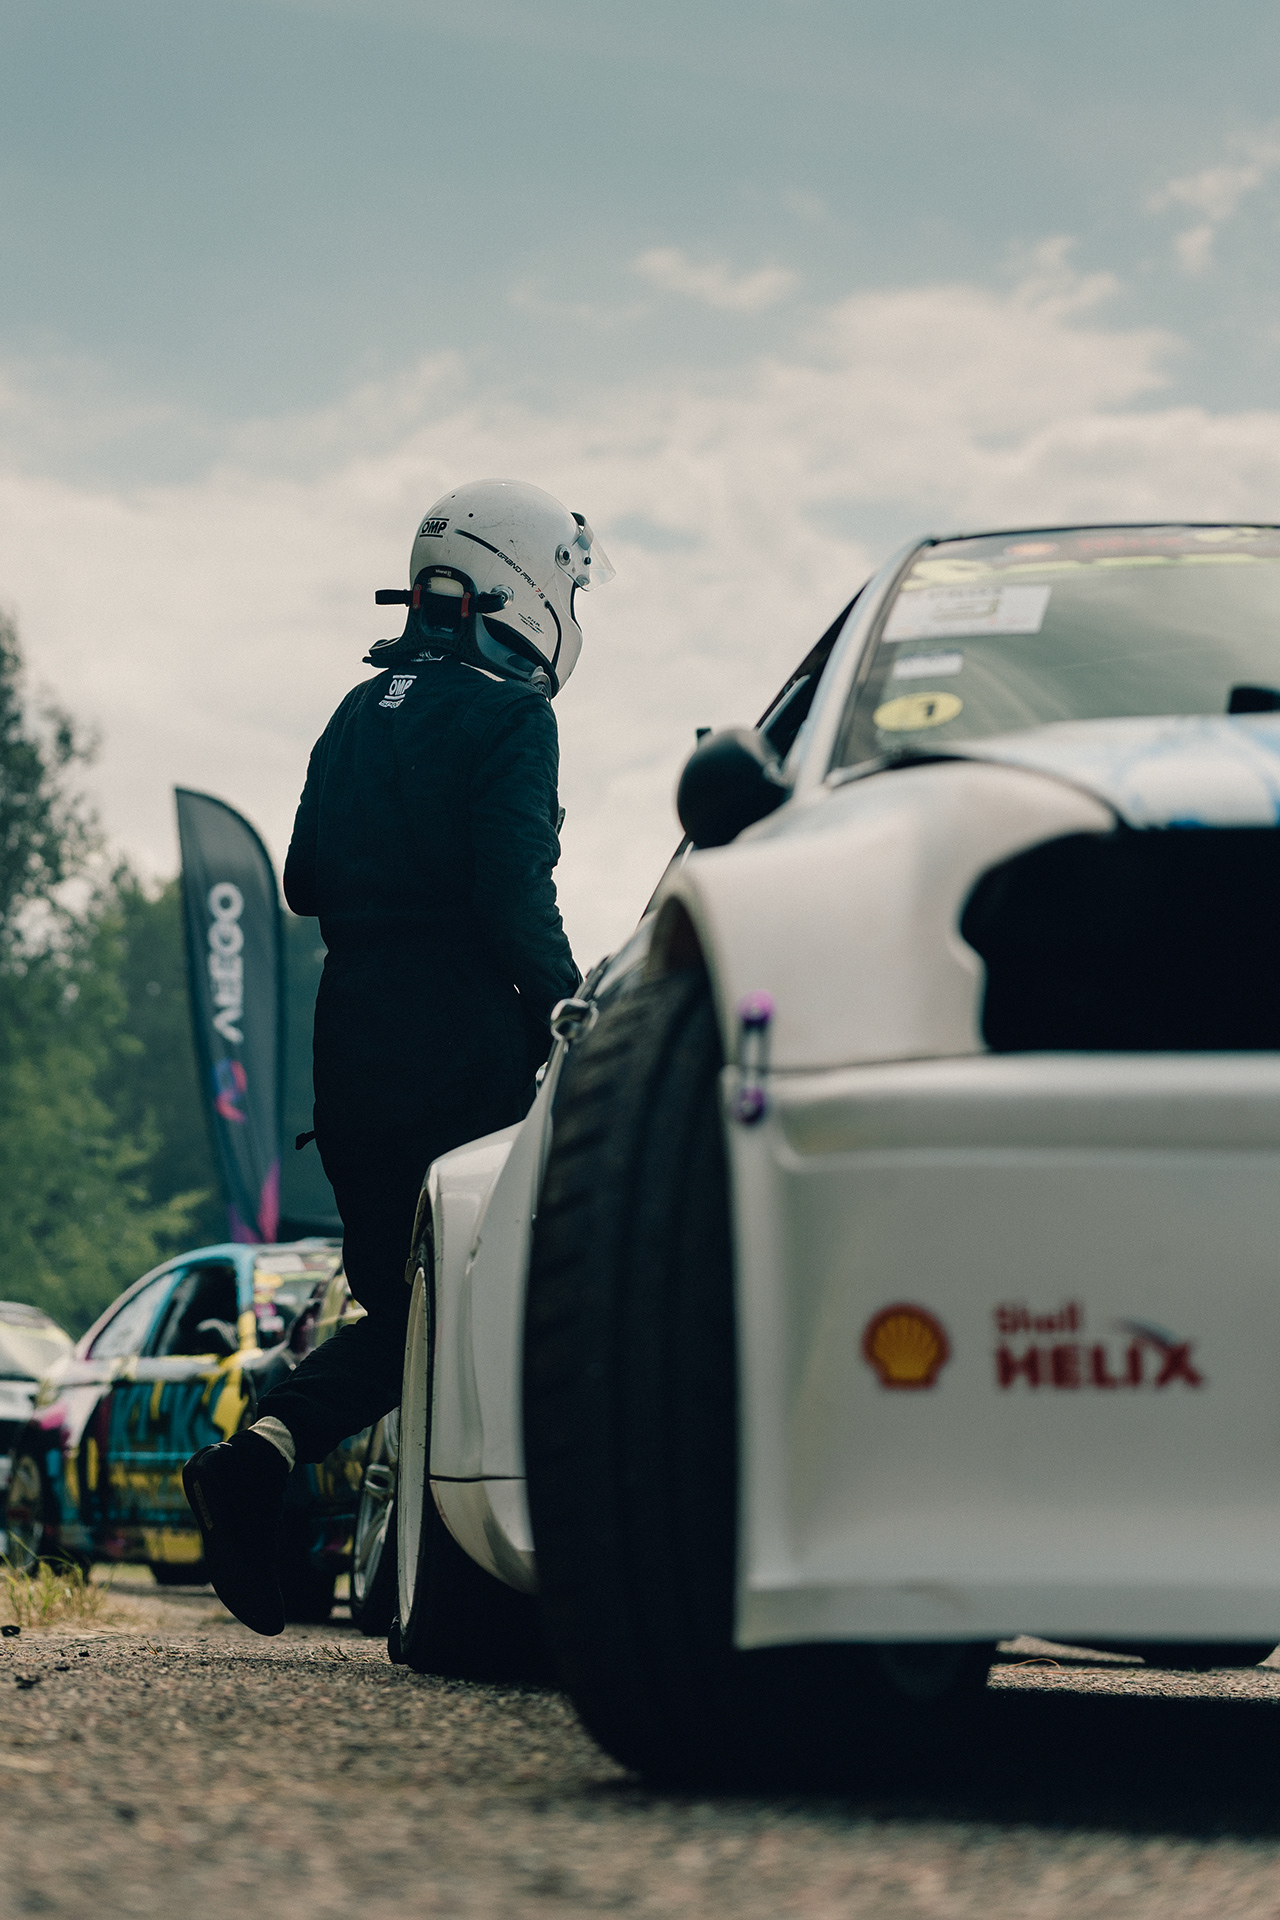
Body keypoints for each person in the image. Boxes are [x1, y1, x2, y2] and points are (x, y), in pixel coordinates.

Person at [183, 478, 613, 1634]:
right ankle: (458, 1566)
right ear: (524, 586)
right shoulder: (514, 721)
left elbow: (301, 881)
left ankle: (259, 1460)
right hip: (460, 1052)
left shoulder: (352, 710)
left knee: (402, 1311)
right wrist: (579, 1018)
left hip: (351, 1055)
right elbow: (516, 906)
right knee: (459, 1314)